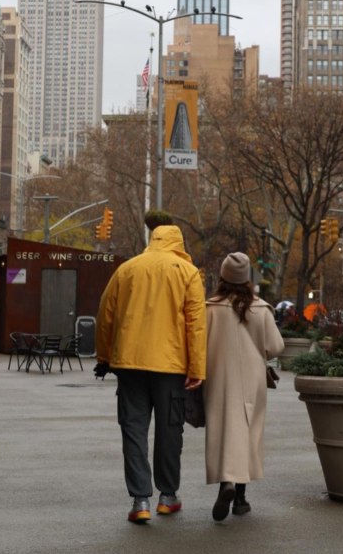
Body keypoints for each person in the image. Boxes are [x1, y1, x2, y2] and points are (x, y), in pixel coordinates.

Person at [95, 224, 206, 524]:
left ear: (152, 241)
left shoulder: (127, 269)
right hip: (171, 367)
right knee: (170, 430)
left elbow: (105, 314)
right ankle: (167, 496)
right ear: (179, 243)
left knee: (133, 430)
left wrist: (104, 357)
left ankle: (140, 500)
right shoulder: (187, 272)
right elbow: (195, 324)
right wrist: (197, 368)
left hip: (129, 365)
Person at [204, 252, 285, 522]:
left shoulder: (210, 308)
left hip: (218, 377)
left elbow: (197, 343)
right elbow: (276, 347)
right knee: (248, 432)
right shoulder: (261, 309)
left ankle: (225, 481)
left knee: (224, 430)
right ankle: (240, 497)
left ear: (223, 277)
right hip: (252, 380)